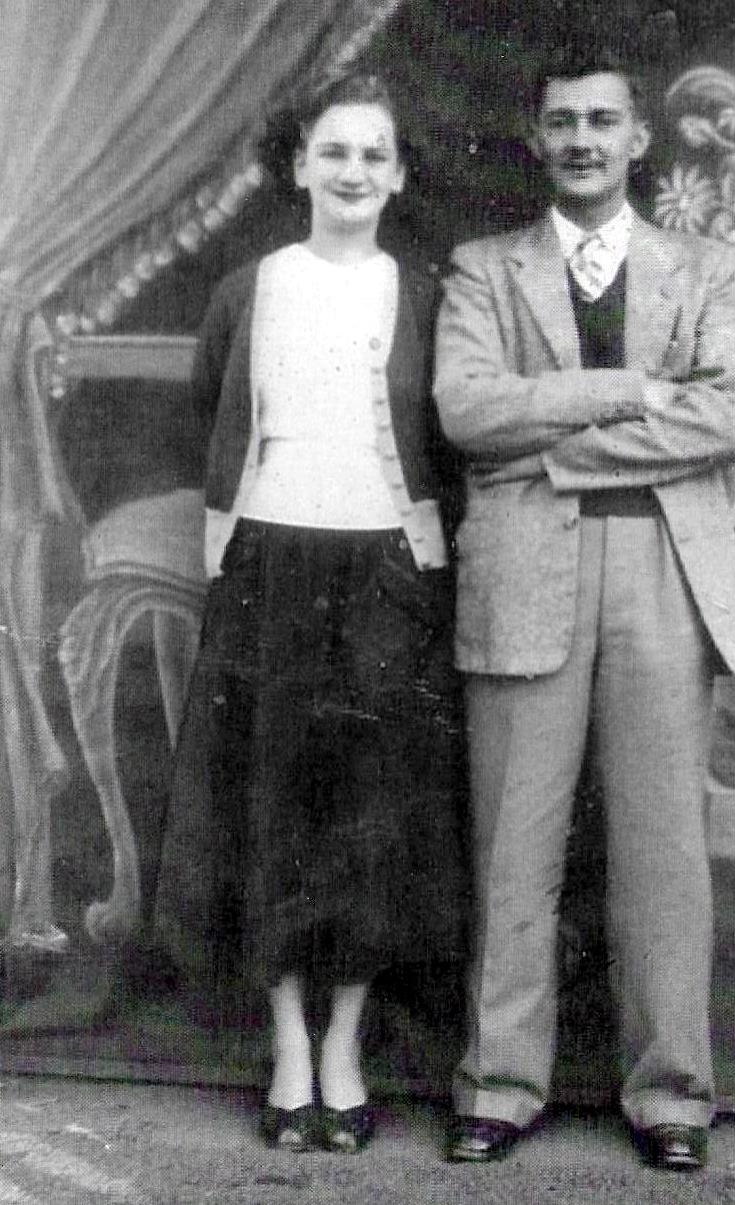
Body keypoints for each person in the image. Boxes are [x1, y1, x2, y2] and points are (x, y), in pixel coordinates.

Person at [434, 48, 735, 1171]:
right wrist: (627, 391)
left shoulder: (703, 269)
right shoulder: (483, 268)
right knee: (512, 846)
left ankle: (671, 1095)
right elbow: (468, 410)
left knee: (663, 848)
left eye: (601, 120)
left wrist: (556, 453)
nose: (581, 139)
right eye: (562, 121)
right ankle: (497, 1085)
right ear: (536, 137)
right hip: (523, 570)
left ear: (637, 139)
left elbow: (723, 419)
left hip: (664, 570)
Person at [179, 72, 463, 1155]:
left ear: (398, 175)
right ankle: (288, 1046)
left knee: (370, 812)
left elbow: (442, 437)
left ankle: (345, 1044)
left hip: (387, 567)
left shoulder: (425, 294)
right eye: (332, 150)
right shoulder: (248, 290)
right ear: (298, 165)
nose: (352, 170)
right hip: (268, 563)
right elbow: (212, 408)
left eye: (372, 154)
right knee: (273, 808)